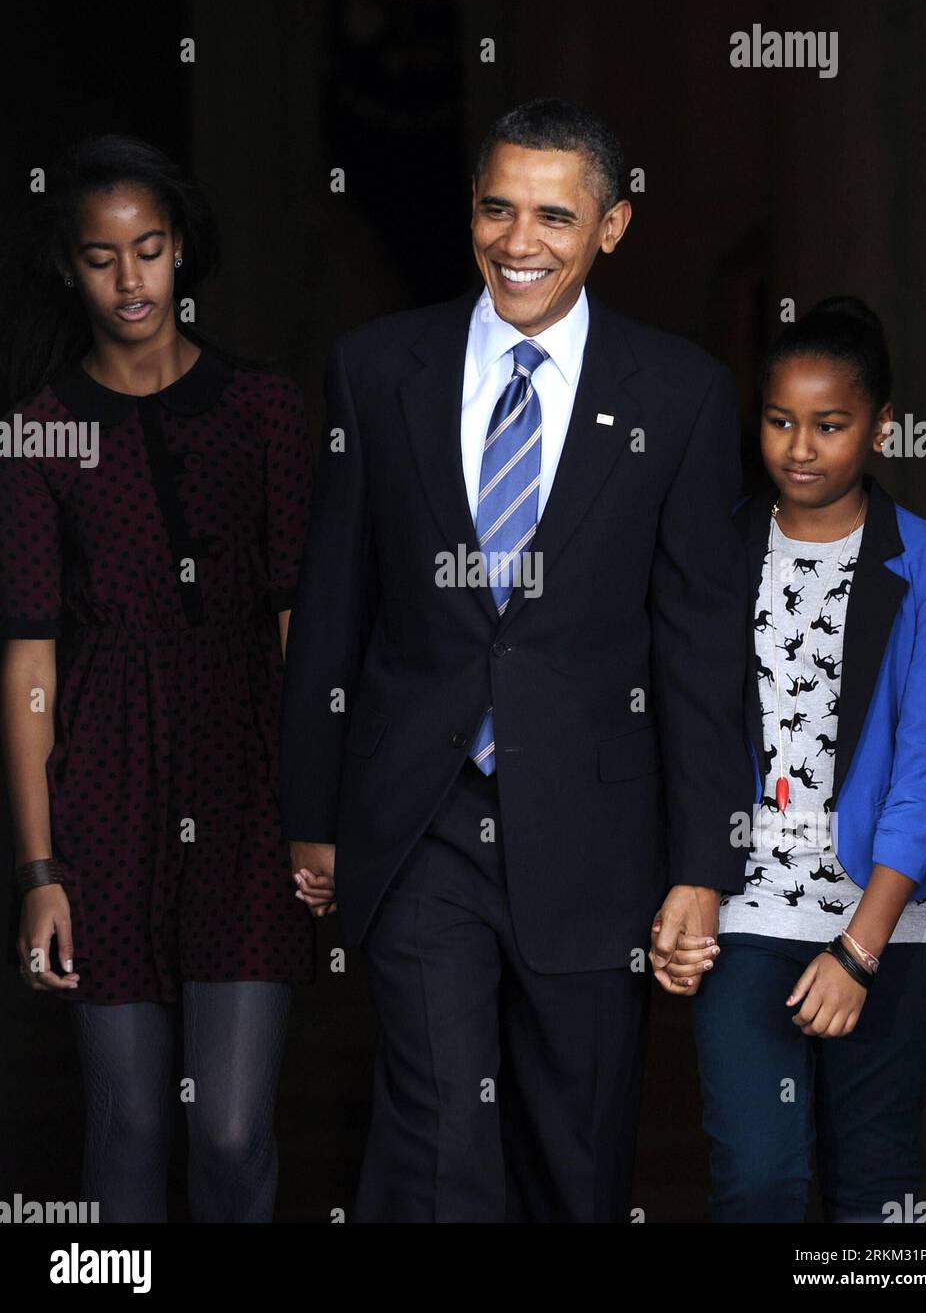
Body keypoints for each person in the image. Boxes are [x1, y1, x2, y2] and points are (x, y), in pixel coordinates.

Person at [280, 97, 754, 1222]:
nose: (519, 241)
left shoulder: (680, 395)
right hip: (422, 812)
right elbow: (334, 599)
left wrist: (702, 864)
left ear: (612, 227)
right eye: (497, 207)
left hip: (596, 832)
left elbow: (697, 643)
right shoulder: (376, 367)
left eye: (554, 214)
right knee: (439, 1128)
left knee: (575, 1147)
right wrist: (313, 808)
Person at [0, 134, 315, 1221]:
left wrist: (312, 812)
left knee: (229, 1129)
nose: (130, 280)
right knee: (128, 1126)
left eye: (150, 249)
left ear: (183, 250)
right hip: (108, 784)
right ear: (70, 268)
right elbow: (30, 655)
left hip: (244, 782)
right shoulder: (40, 432)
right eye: (102, 257)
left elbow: (297, 624)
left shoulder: (267, 409)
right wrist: (41, 866)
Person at [671, 296, 926, 1222]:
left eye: (830, 425)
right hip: (748, 909)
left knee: (872, 1194)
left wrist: (858, 950)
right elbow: (674, 733)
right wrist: (677, 888)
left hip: (886, 920)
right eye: (779, 421)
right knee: (758, 1180)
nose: (800, 448)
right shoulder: (712, 552)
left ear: (881, 429)